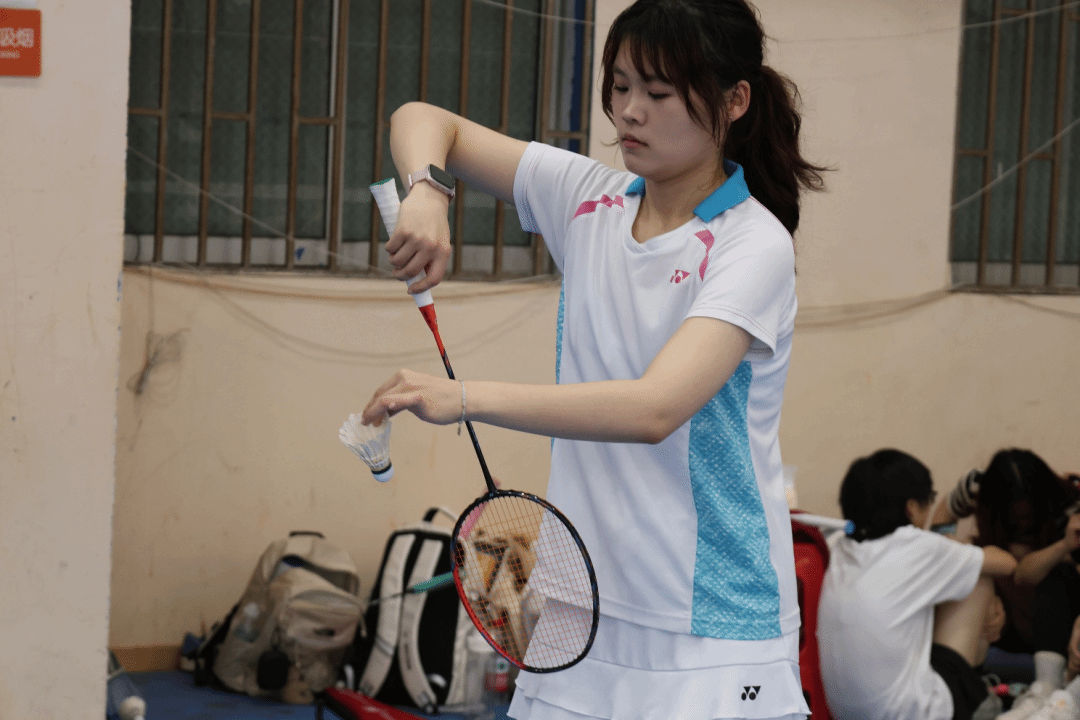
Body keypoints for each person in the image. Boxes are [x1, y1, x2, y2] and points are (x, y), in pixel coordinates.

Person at [358, 1, 826, 718]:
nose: (630, 111)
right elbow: (423, 118)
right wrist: (427, 190)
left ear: (734, 101)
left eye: (659, 92)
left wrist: (464, 397)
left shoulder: (751, 244)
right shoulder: (588, 199)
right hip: (581, 604)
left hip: (711, 625)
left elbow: (654, 408)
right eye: (621, 85)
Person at [816, 449, 1017, 720]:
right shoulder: (915, 545)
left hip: (845, 714)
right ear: (911, 508)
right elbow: (1007, 563)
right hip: (913, 714)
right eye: (928, 501)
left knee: (950, 581)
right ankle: (976, 699)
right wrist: (958, 545)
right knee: (979, 578)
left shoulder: (837, 546)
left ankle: (975, 691)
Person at [940, 449, 1080, 717]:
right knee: (971, 566)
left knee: (1057, 573)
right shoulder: (975, 486)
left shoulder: (1069, 506)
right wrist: (944, 545)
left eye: (1028, 515)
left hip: (1057, 620)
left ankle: (1048, 687)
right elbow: (944, 512)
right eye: (1015, 516)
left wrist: (1063, 547)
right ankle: (970, 692)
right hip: (1005, 618)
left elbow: (1026, 573)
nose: (1022, 523)